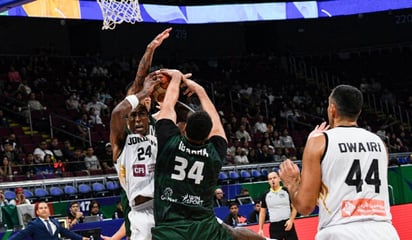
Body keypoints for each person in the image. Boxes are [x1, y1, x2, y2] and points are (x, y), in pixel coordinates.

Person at [278, 84, 400, 240]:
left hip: (340, 231)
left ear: (332, 109)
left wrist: (292, 184)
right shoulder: (380, 143)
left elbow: (305, 206)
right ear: (359, 111)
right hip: (385, 232)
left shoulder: (319, 142)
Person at [9, 201, 88, 240]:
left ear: (49, 210)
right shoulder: (34, 224)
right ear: (37, 212)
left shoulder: (55, 222)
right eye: (41, 208)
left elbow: (67, 233)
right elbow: (21, 234)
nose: (44, 210)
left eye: (45, 208)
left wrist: (81, 238)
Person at [258, 171, 298, 240]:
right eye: (270, 179)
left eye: (274, 178)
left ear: (279, 179)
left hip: (287, 224)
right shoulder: (265, 195)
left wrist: (291, 220)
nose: (272, 180)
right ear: (268, 181)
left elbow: (295, 207)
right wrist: (260, 229)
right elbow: (262, 213)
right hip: (274, 227)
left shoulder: (287, 191)